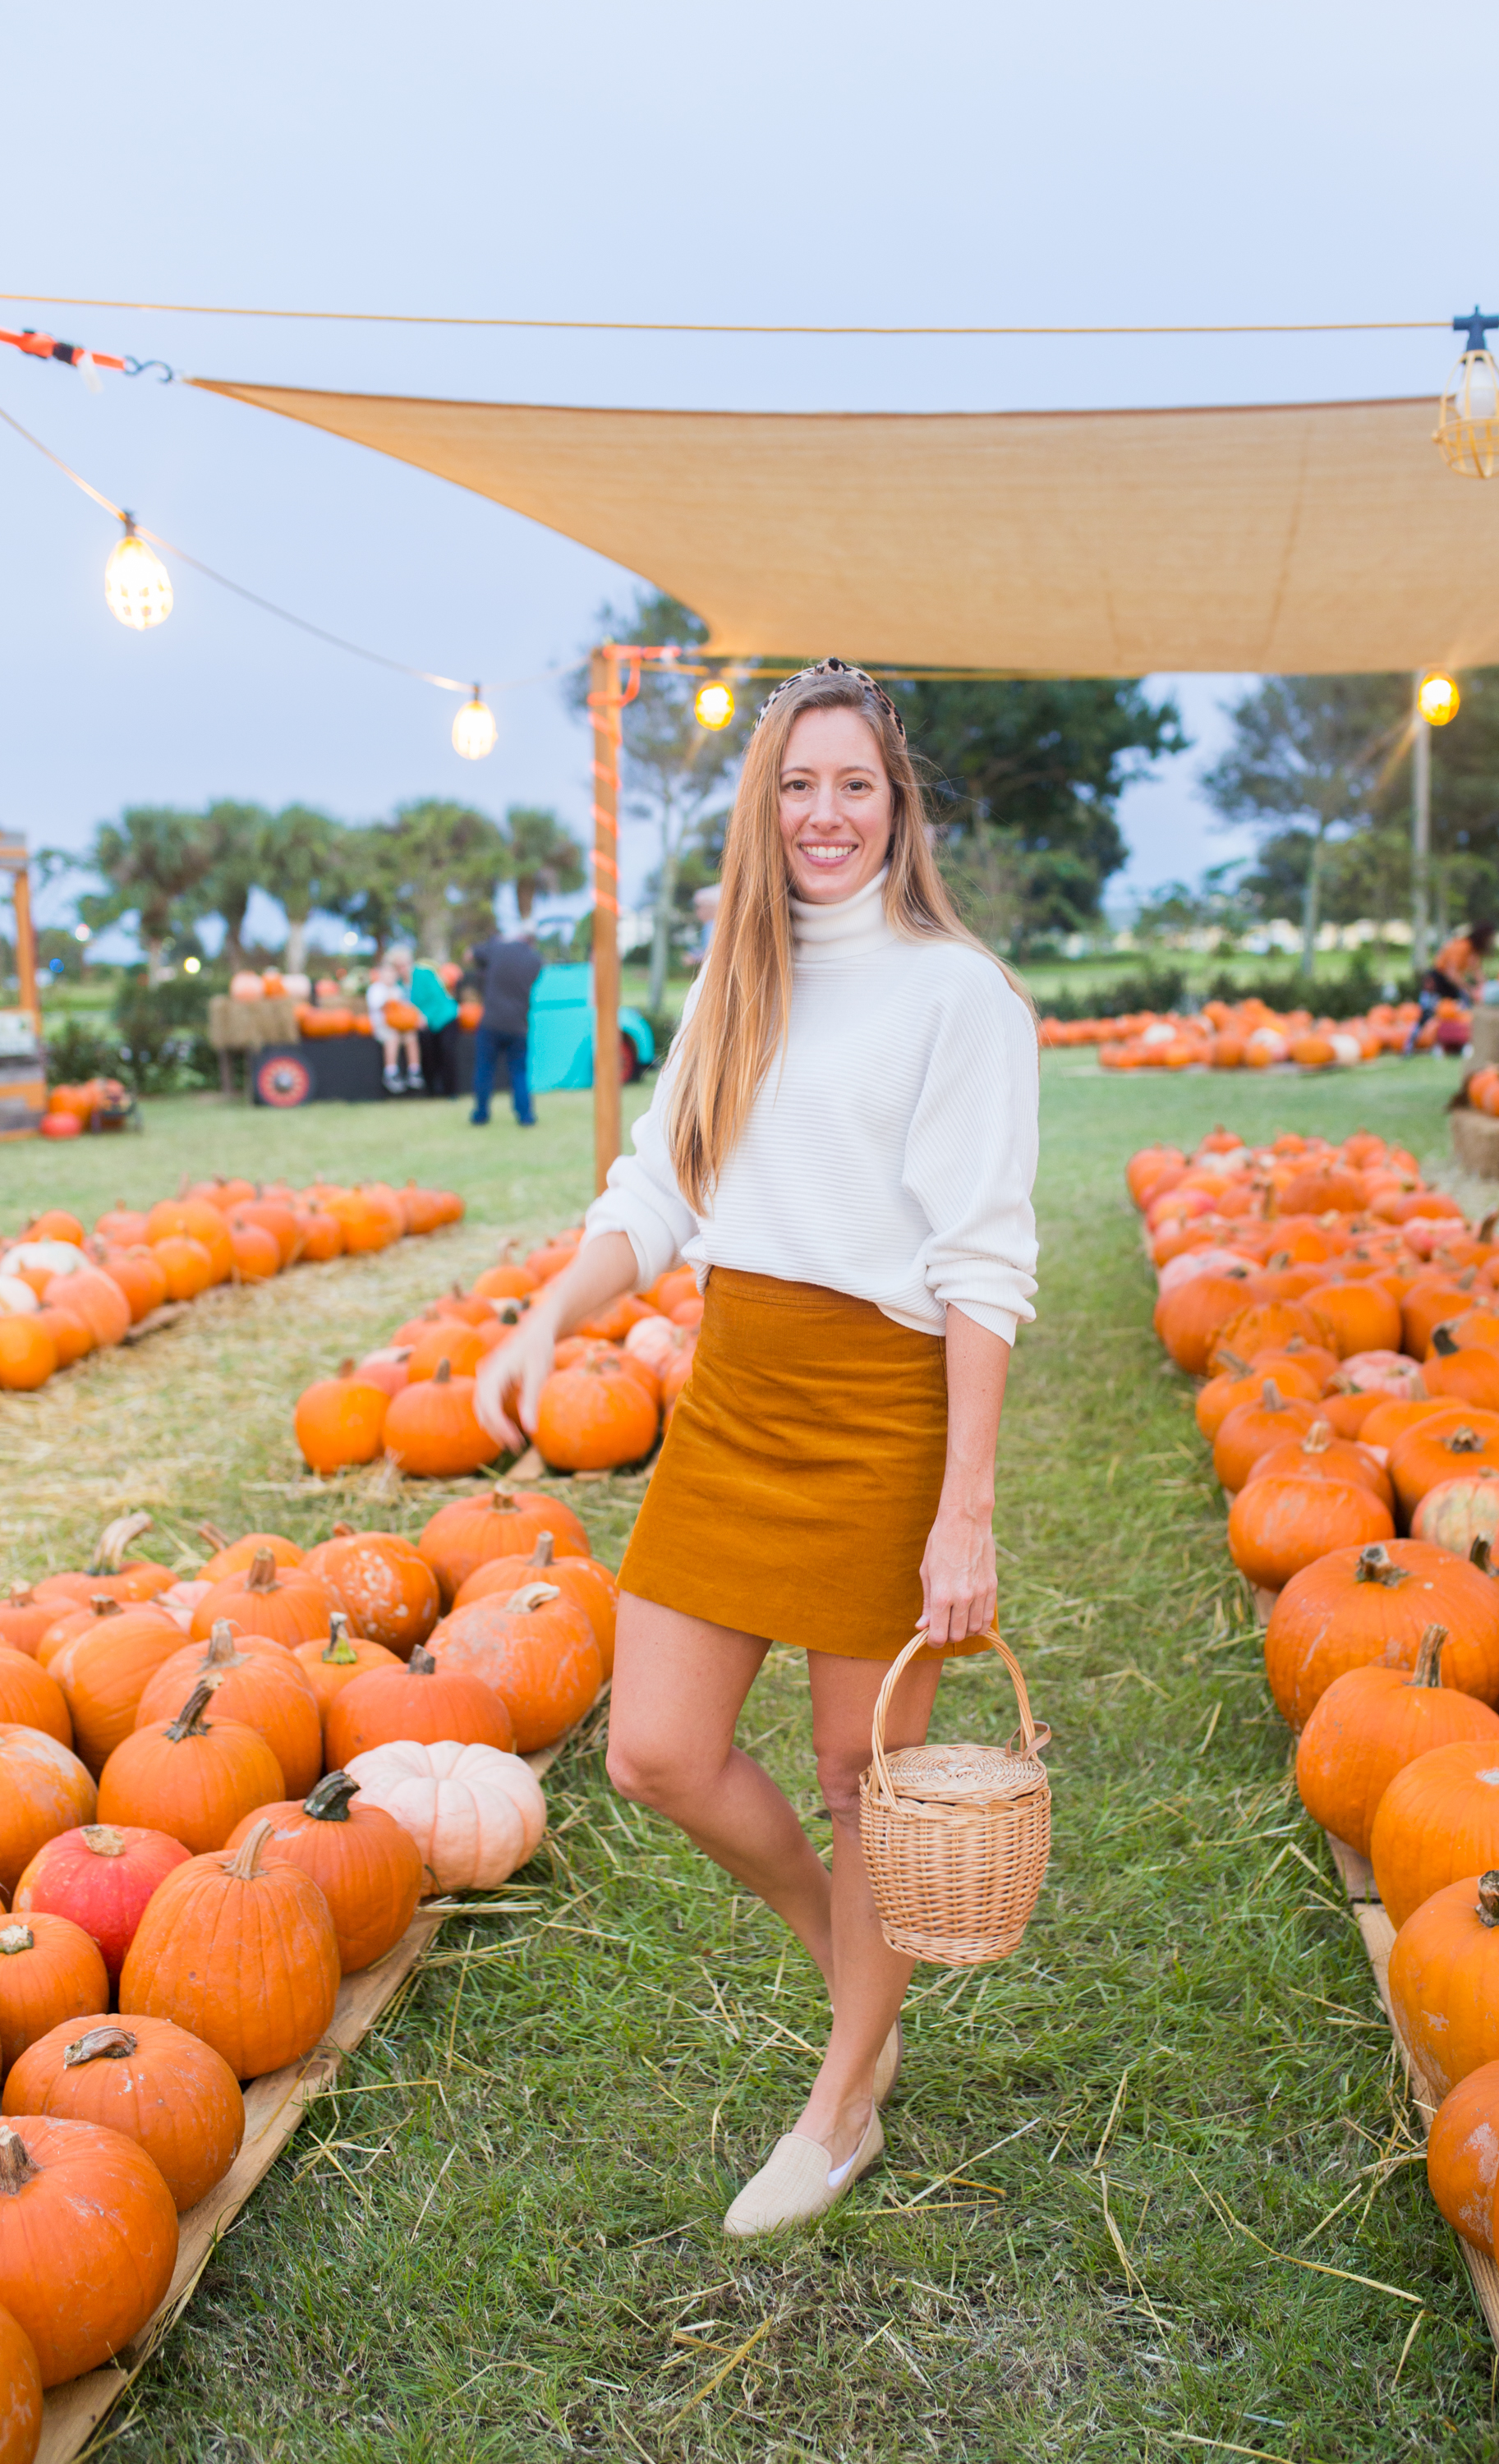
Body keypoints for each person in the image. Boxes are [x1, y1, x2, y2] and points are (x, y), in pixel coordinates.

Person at [476, 659, 1039, 2236]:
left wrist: (965, 1508)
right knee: (655, 1748)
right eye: (799, 784)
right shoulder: (743, 975)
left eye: (855, 783)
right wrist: (544, 1317)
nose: (826, 813)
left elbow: (985, 1261)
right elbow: (656, 1192)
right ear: (763, 805)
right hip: (736, 1399)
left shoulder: (957, 995)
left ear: (898, 805)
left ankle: (846, 2097)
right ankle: (855, 1964)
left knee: (863, 1782)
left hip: (882, 1408)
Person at [468, 923, 540, 1125]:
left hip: (491, 1021)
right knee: (519, 1072)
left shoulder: (499, 948)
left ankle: (481, 1114)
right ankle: (525, 1117)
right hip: (518, 1024)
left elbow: (471, 955)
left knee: (484, 1069)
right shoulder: (536, 960)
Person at [1404, 921, 1494, 1051]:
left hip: (1450, 984)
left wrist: (1488, 989)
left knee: (1462, 1012)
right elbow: (1451, 973)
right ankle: (1409, 1045)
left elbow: (1478, 973)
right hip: (1437, 979)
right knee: (1427, 1012)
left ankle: (1461, 1044)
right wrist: (1468, 989)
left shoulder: (1472, 952)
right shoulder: (1461, 946)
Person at [365, 946, 422, 1093]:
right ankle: (391, 1072)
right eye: (386, 974)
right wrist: (389, 1000)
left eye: (392, 974)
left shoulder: (398, 990)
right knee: (393, 1037)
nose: (390, 977)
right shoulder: (376, 989)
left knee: (411, 1035)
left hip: (399, 1025)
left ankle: (414, 1071)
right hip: (383, 1026)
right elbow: (378, 1006)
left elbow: (405, 1009)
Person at [408, 953, 461, 1097]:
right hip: (423, 1022)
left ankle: (451, 1091)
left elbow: (437, 997)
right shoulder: (396, 983)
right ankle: (432, 1091)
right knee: (428, 1055)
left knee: (446, 1051)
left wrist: (425, 1017)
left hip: (444, 1017)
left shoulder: (421, 974)